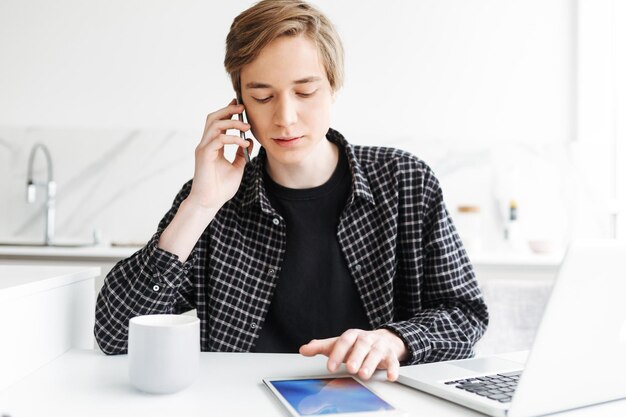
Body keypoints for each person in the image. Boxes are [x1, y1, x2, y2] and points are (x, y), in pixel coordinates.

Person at [95, 0, 488, 382]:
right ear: (240, 105)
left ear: (334, 86)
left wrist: (394, 340)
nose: (284, 117)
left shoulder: (405, 180)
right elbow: (115, 335)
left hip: (378, 398)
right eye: (263, 96)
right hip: (239, 405)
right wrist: (198, 206)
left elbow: (466, 315)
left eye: (305, 92)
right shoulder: (212, 200)